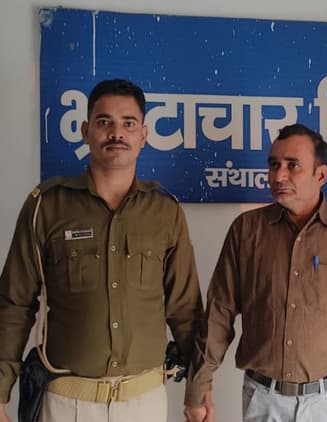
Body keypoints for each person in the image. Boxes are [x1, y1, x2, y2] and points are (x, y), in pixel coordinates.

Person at [0, 79, 205, 422]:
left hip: (144, 404)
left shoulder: (165, 211)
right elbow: (14, 304)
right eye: (104, 121)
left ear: (144, 135)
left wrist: (199, 391)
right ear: (86, 131)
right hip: (67, 403)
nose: (116, 133)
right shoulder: (46, 206)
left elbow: (185, 310)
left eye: (129, 123)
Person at [184, 123, 327, 422]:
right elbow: (219, 314)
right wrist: (198, 387)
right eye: (274, 165)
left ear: (321, 175)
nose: (278, 176)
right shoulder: (246, 231)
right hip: (264, 400)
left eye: (292, 165)